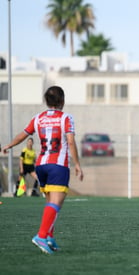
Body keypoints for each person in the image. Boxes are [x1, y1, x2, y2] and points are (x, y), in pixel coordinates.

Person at [2, 86, 84, 254]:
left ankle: (48, 237)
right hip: (58, 166)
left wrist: (9, 145)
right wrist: (77, 164)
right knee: (56, 203)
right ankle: (40, 236)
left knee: (49, 202)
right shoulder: (66, 118)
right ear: (62, 101)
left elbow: (23, 135)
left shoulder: (38, 118)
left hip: (41, 166)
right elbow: (70, 141)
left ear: (46, 101)